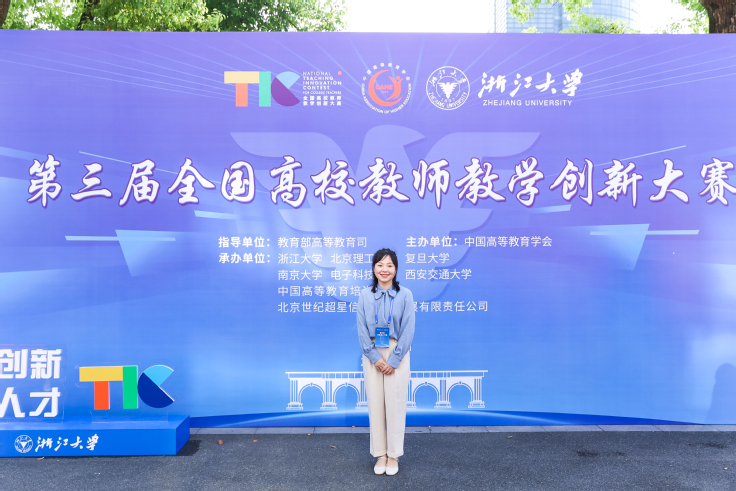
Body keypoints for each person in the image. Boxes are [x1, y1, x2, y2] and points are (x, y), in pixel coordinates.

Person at [357, 248, 415, 476]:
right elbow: (361, 328)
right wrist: (374, 357)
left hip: (396, 351)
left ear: (396, 269)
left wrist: (395, 358)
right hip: (372, 352)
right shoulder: (364, 295)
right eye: (380, 264)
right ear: (373, 268)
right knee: (376, 404)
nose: (384, 269)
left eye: (389, 265)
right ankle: (380, 454)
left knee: (395, 404)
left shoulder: (405, 295)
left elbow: (408, 329)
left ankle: (393, 455)